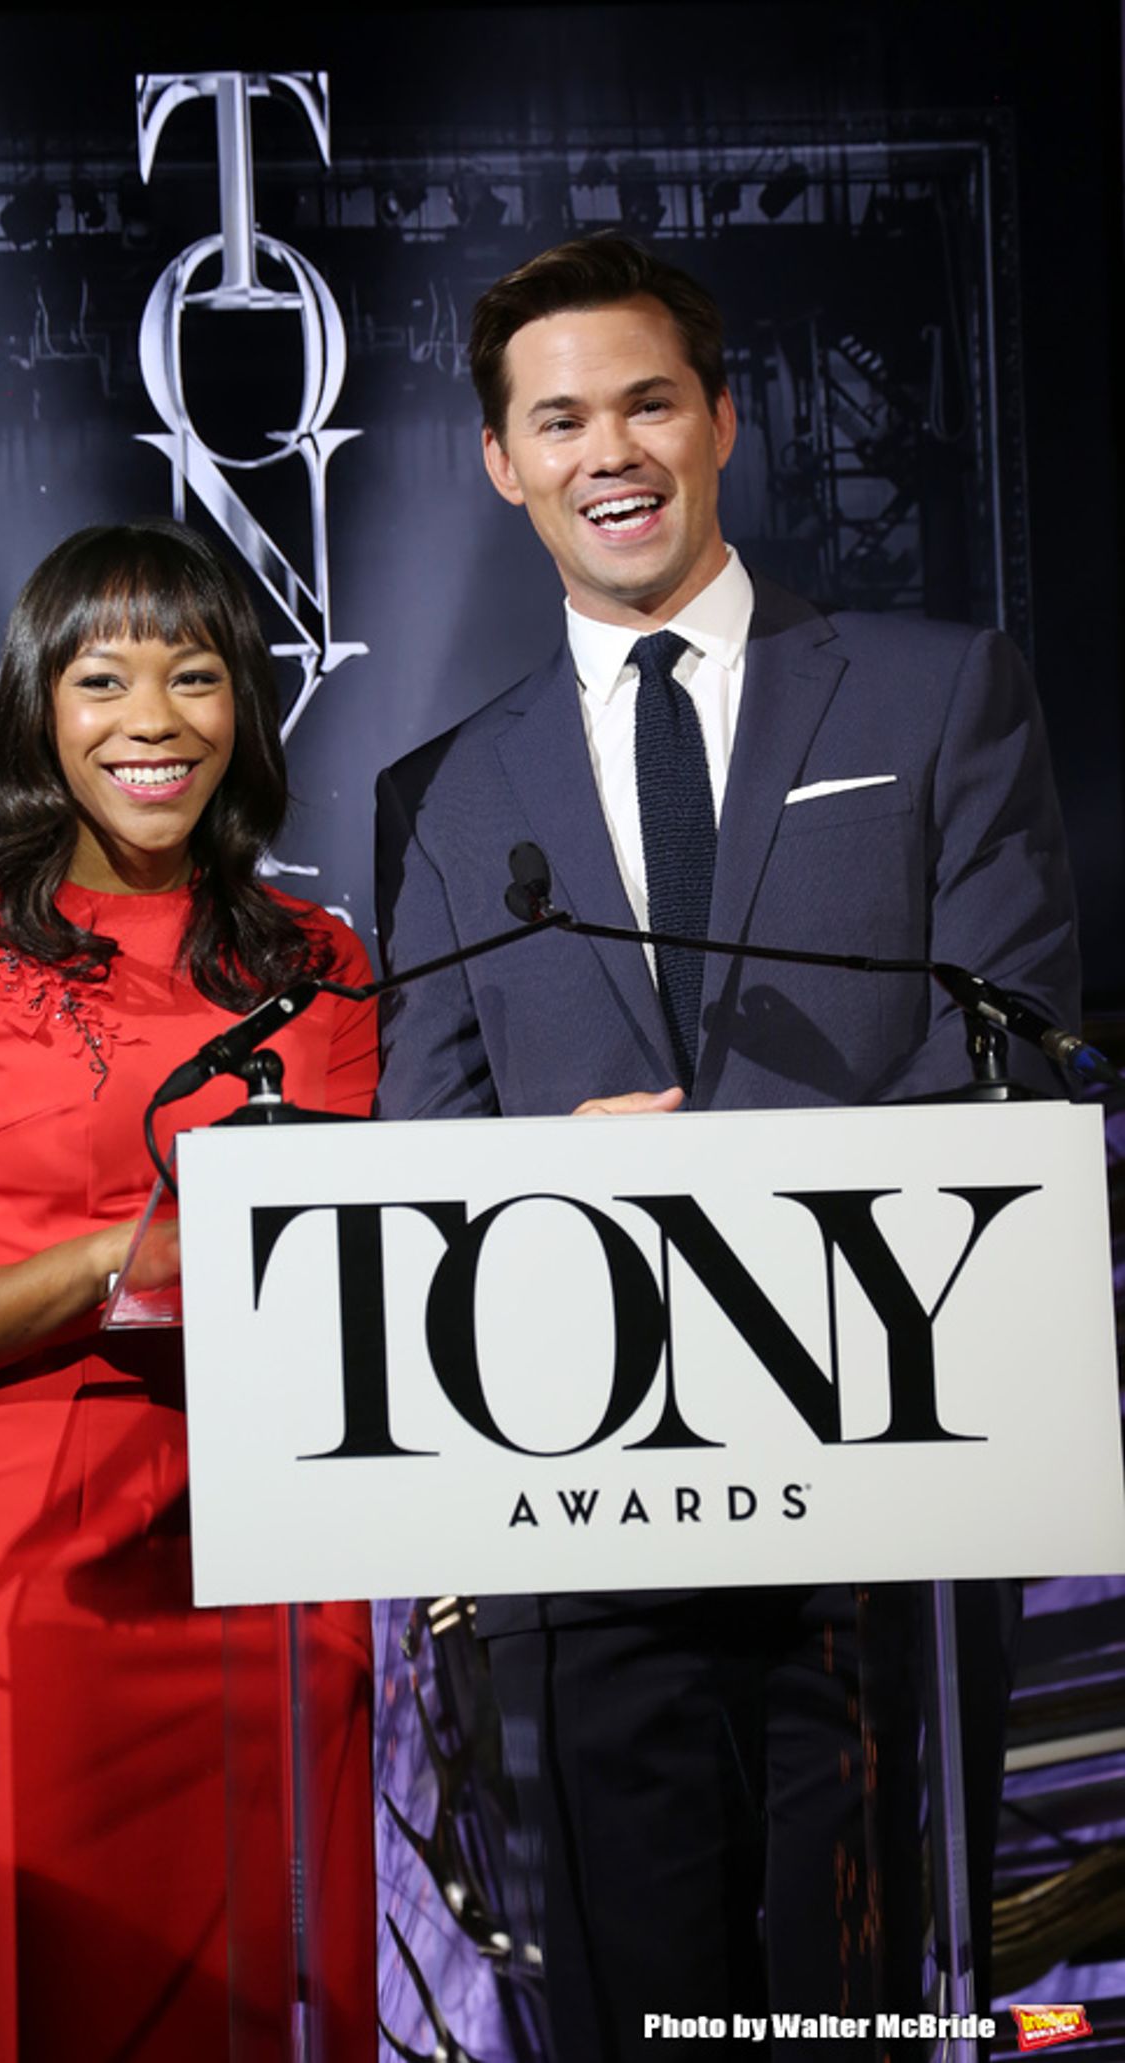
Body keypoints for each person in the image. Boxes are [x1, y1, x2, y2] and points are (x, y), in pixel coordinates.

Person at [374, 235, 1079, 2059]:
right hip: (581, 1514)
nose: (610, 450)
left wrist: (723, 1181)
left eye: (647, 402)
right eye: (560, 418)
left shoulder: (939, 694)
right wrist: (560, 1188)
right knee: (635, 2022)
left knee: (863, 2019)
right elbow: (423, 1142)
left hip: (889, 1488)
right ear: (502, 464)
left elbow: (1022, 1052)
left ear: (724, 423)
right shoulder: (445, 792)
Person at [0, 520, 378, 2063]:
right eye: (105, 679)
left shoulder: (320, 966)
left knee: (270, 2004)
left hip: (273, 1547)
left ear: (244, 711)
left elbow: (348, 1271)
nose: (154, 722)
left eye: (197, 677)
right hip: (28, 1563)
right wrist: (109, 1259)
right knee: (33, 2001)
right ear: (36, 709)